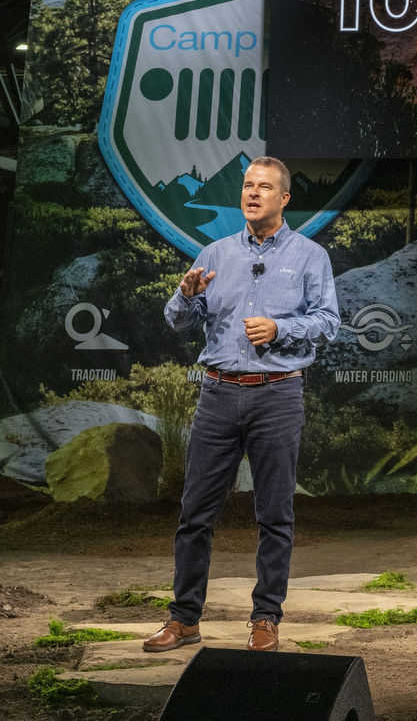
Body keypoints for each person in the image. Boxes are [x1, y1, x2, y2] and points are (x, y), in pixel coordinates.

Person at [143, 156, 339, 654]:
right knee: (195, 514)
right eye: (248, 185)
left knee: (275, 515)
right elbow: (177, 320)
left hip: (277, 394)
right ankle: (184, 619)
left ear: (284, 198)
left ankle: (265, 618)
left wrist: (281, 329)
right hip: (218, 395)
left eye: (265, 187)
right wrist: (185, 296)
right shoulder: (214, 253)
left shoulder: (310, 256)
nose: (253, 193)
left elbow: (328, 323)